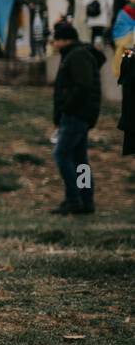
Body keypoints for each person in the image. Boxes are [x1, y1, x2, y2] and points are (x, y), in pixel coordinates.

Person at [49, 21, 103, 215]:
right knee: (80, 160)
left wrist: (66, 108)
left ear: (64, 40)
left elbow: (83, 85)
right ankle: (85, 200)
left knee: (61, 155)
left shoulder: (77, 56)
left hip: (76, 115)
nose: (53, 44)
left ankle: (74, 199)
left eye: (55, 40)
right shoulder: (75, 54)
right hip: (79, 114)